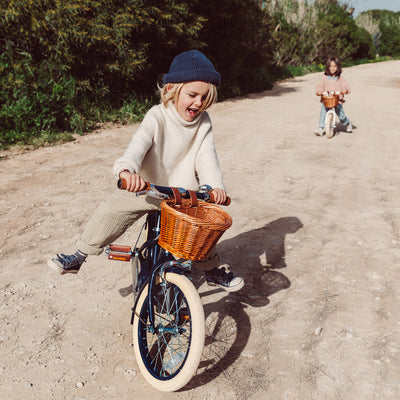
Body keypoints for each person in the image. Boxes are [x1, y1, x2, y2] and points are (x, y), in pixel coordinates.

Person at [48, 49, 244, 292]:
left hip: (183, 195)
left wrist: (215, 187)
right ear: (172, 89)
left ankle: (211, 270)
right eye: (192, 95)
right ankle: (80, 254)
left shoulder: (203, 122)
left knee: (201, 226)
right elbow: (137, 146)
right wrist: (127, 171)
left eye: (204, 98)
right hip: (147, 188)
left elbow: (207, 157)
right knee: (111, 210)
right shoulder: (157, 116)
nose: (198, 103)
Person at [313, 56, 352, 136]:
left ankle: (347, 122)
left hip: (337, 100)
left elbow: (346, 86)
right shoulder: (324, 78)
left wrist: (346, 90)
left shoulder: (340, 78)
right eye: (330, 66)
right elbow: (319, 86)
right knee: (323, 110)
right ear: (327, 67)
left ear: (338, 67)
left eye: (334, 66)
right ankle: (320, 128)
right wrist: (319, 91)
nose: (332, 68)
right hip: (327, 99)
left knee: (341, 115)